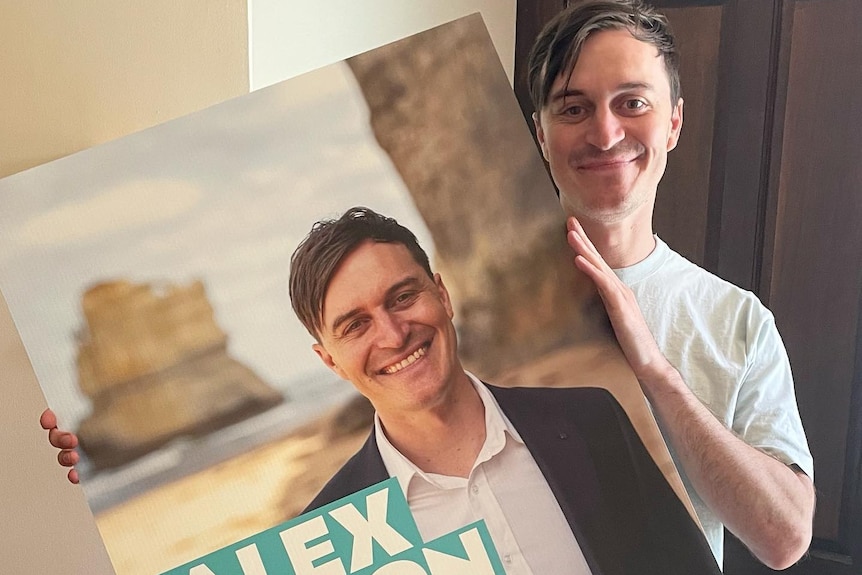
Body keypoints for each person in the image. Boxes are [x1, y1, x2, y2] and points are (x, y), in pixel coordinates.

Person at [46, 207, 721, 574]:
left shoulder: (588, 418)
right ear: (329, 360)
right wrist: (67, 523)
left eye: (404, 296)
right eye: (355, 323)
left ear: (443, 295)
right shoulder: (321, 535)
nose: (395, 332)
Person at [527, 0, 814, 569]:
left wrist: (654, 370)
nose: (605, 134)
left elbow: (784, 539)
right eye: (573, 108)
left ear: (674, 122)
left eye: (632, 103)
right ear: (541, 132)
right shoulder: (454, 311)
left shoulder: (738, 321)